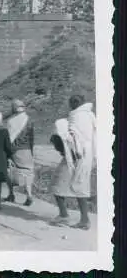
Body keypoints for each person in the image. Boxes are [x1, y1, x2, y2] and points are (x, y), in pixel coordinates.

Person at [49, 95, 97, 230]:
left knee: (56, 183)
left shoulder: (77, 117)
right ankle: (84, 220)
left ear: (74, 104)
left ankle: (64, 215)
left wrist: (61, 131)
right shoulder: (89, 115)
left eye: (72, 102)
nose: (72, 104)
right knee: (80, 187)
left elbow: (74, 139)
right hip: (86, 157)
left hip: (75, 156)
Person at [4, 99, 35, 206]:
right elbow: (31, 137)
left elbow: (7, 138)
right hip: (26, 149)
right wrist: (31, 150)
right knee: (28, 172)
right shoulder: (29, 120)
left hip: (14, 149)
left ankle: (11, 194)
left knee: (9, 170)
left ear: (13, 108)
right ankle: (29, 195)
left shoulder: (10, 121)